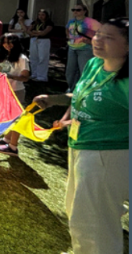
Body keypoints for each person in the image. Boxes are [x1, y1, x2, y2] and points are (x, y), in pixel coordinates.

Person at [32, 18, 128, 254]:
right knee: (77, 210)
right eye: (99, 34)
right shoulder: (95, 64)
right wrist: (53, 100)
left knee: (94, 222)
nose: (98, 40)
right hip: (80, 145)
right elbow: (79, 95)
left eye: (109, 37)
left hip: (107, 153)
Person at [0, 33, 30, 157]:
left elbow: (25, 77)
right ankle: (6, 140)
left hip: (16, 91)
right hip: (5, 91)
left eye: (10, 42)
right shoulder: (5, 56)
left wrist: (10, 76)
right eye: (4, 42)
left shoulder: (22, 58)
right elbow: (2, 71)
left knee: (16, 119)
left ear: (16, 43)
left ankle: (13, 147)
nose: (7, 45)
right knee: (8, 117)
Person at [65, 4, 101, 92]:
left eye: (78, 10)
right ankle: (72, 90)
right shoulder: (71, 21)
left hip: (85, 49)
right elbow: (67, 29)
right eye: (73, 10)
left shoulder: (90, 22)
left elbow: (102, 31)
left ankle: (84, 90)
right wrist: (68, 37)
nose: (75, 12)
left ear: (84, 11)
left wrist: (92, 41)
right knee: (70, 71)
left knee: (84, 70)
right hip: (72, 48)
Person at [26, 9, 54, 82]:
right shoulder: (35, 22)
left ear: (46, 16)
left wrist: (35, 32)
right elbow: (28, 31)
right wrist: (37, 33)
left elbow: (44, 33)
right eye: (39, 15)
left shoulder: (49, 23)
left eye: (42, 15)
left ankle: (42, 76)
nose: (40, 16)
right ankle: (34, 74)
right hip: (34, 40)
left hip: (44, 40)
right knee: (33, 57)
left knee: (42, 58)